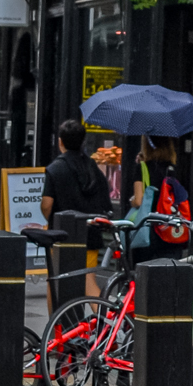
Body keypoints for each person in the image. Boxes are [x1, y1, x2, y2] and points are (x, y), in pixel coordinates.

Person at [41, 119, 113, 297]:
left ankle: (58, 324)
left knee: (56, 283)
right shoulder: (93, 168)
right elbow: (106, 203)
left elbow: (47, 204)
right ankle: (104, 321)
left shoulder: (55, 169)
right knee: (88, 281)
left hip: (62, 236)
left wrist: (47, 220)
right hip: (90, 234)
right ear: (82, 142)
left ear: (60, 142)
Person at [128, 135, 187, 257]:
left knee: (145, 271)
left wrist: (131, 201)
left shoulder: (143, 168)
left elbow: (138, 201)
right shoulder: (175, 169)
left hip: (149, 229)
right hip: (171, 228)